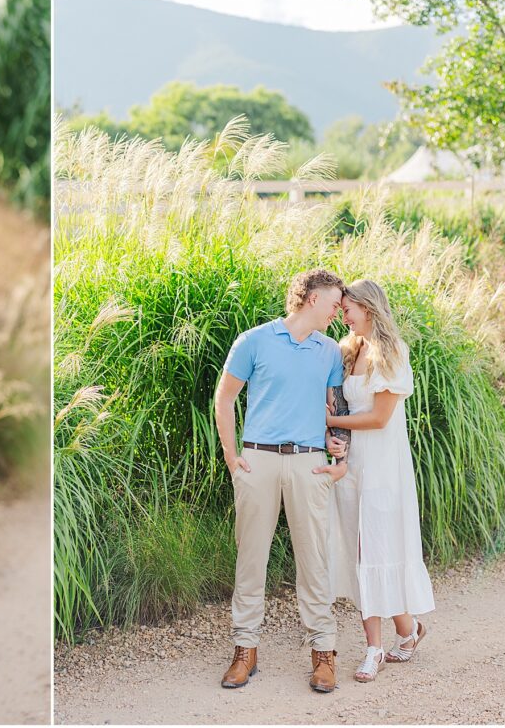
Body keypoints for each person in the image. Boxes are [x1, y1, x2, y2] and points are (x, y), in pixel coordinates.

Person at [214, 268, 349, 693]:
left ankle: (323, 653)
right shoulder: (254, 341)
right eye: (333, 303)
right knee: (251, 558)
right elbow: (225, 397)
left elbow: (337, 408)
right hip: (258, 461)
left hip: (309, 463)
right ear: (311, 298)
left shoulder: (330, 351)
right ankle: (244, 649)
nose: (337, 311)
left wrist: (340, 448)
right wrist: (232, 456)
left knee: (315, 560)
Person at [325, 279, 435, 683]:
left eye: (348, 308)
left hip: (384, 468)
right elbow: (335, 399)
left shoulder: (392, 352)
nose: (343, 315)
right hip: (350, 466)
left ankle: (395, 637)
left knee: (378, 550)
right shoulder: (347, 348)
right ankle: (388, 640)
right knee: (359, 553)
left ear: (368, 308)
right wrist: (334, 439)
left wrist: (331, 421)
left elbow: (378, 418)